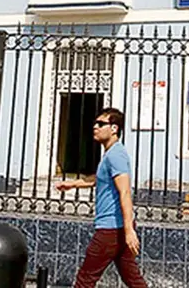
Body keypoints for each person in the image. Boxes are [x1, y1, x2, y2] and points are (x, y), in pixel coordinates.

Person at [56, 108, 148, 288]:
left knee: (85, 279)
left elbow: (125, 192)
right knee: (132, 279)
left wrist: (129, 230)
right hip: (117, 229)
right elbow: (99, 179)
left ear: (114, 128)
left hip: (111, 230)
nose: (95, 127)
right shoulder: (111, 154)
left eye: (101, 124)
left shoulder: (116, 155)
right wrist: (73, 184)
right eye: (95, 123)